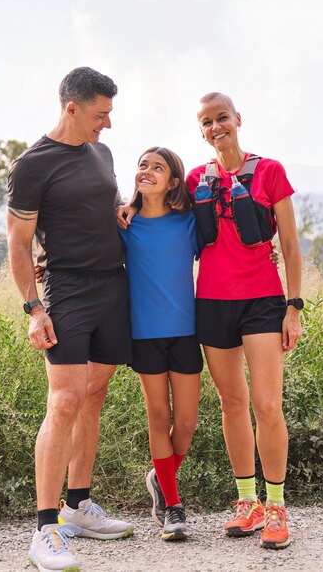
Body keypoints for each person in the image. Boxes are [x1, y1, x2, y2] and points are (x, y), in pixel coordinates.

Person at [6, 67, 133, 572]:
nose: (107, 124)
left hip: (113, 286)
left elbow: (98, 207)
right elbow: (18, 241)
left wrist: (121, 211)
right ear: (72, 108)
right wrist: (34, 308)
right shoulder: (32, 164)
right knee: (63, 401)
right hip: (68, 291)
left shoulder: (101, 153)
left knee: (93, 394)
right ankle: (44, 531)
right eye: (101, 114)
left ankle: (77, 504)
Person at [186, 92, 303, 550]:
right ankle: (247, 503)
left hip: (262, 301)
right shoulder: (196, 178)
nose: (216, 127)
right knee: (231, 403)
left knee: (267, 405)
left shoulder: (269, 171)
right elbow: (157, 209)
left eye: (222, 118)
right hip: (211, 302)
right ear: (201, 129)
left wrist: (293, 306)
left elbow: (290, 246)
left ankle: (276, 507)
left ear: (238, 119)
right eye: (206, 122)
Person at [118, 146, 203, 541]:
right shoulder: (123, 223)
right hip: (144, 334)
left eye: (158, 167)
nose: (147, 171)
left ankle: (159, 476)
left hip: (185, 331)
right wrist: (47, 263)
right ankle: (172, 505)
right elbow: (89, 251)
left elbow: (223, 250)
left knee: (185, 423)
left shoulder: (188, 223)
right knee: (159, 417)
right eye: (142, 165)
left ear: (173, 182)